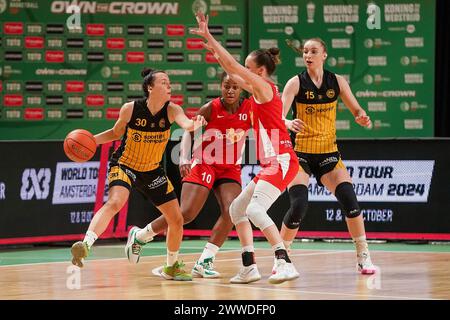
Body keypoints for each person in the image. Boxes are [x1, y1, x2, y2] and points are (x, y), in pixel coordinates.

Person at [191, 12, 300, 284]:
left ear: (260, 72)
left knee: (253, 210)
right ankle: (249, 266)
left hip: (282, 161)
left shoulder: (264, 88)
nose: (243, 72)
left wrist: (210, 38)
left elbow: (232, 66)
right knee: (236, 210)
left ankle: (283, 261)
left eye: (248, 68)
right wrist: (213, 48)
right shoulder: (256, 90)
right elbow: (230, 70)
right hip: (270, 164)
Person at [70, 68, 207, 281]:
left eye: (169, 82)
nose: (169, 85)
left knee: (177, 219)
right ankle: (85, 245)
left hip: (152, 171)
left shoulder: (172, 110)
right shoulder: (130, 109)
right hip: (125, 165)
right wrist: (91, 142)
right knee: (115, 202)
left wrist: (195, 124)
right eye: (163, 82)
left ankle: (171, 266)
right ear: (150, 87)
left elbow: (187, 124)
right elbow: (116, 133)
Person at [125, 72, 252, 278]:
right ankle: (140, 235)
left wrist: (287, 124)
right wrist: (184, 158)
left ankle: (205, 261)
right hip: (204, 163)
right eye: (226, 86)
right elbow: (188, 132)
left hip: (230, 168)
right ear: (220, 87)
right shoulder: (210, 108)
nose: (230, 90)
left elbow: (270, 122)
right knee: (185, 214)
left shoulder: (249, 109)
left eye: (235, 87)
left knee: (233, 211)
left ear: (242, 89)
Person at [281, 38, 376, 274]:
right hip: (299, 154)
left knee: (350, 201)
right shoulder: (295, 83)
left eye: (313, 51)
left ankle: (363, 255)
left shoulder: (337, 82)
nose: (308, 55)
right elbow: (277, 118)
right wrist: (288, 122)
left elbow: (357, 109)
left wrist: (362, 116)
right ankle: (282, 257)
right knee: (299, 205)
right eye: (305, 52)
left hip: (328, 153)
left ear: (324, 55)